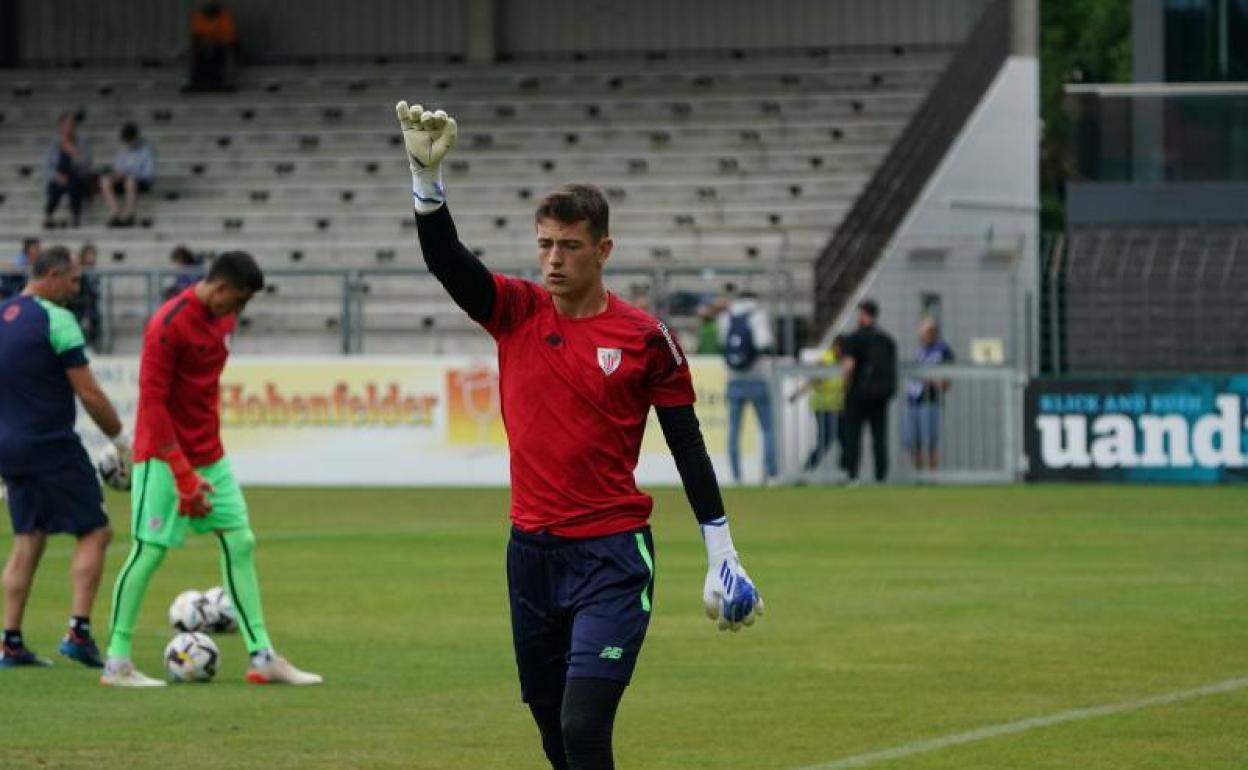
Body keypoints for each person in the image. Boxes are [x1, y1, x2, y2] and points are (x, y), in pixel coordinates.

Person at [398, 101, 763, 770]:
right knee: (552, 729)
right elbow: (448, 260)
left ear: (603, 250)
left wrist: (723, 550)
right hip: (530, 556)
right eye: (544, 243)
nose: (554, 260)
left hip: (611, 558)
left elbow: (687, 446)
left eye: (569, 245)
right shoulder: (514, 311)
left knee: (584, 723)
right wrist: (427, 180)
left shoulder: (646, 339)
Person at [101, 251, 321, 687]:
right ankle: (117, 661)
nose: (239, 312)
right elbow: (154, 404)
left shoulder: (223, 321)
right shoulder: (167, 325)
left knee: (241, 541)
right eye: (237, 301)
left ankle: (262, 656)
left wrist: (201, 463)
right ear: (219, 288)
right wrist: (182, 474)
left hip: (210, 455)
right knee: (149, 551)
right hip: (162, 458)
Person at [0, 245, 131, 669]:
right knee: (96, 532)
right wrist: (121, 438)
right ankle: (79, 632)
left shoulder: (2, 315)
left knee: (28, 541)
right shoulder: (57, 319)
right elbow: (89, 392)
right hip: (51, 443)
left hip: (9, 448)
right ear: (53, 274)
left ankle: (10, 642)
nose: (76, 289)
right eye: (73, 280)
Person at [718, 290, 778, 484]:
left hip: (734, 379)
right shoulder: (759, 316)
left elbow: (722, 344)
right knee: (768, 428)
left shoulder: (726, 317)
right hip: (757, 377)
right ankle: (771, 474)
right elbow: (764, 343)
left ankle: (736, 475)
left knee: (734, 429)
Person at [839, 299, 897, 483]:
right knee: (879, 437)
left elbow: (848, 366)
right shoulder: (887, 340)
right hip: (880, 395)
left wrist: (843, 389)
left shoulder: (853, 338)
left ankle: (852, 475)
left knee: (853, 435)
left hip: (857, 394)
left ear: (863, 314)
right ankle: (880, 475)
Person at [788, 335, 846, 473]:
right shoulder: (826, 360)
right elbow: (813, 380)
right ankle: (809, 467)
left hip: (836, 407)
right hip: (823, 406)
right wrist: (797, 394)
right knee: (828, 439)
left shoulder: (843, 361)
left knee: (840, 439)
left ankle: (844, 470)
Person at [904, 318, 955, 471]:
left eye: (925, 332)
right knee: (912, 442)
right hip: (913, 401)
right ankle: (919, 476)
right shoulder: (920, 350)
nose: (922, 336)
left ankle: (932, 476)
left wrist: (928, 378)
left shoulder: (943, 351)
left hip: (930, 401)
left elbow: (946, 382)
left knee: (930, 441)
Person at [98, 122, 156, 228]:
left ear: (135, 138)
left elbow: (148, 173)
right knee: (105, 180)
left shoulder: (146, 150)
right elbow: (118, 168)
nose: (128, 143)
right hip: (123, 180)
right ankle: (115, 214)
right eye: (126, 141)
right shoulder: (123, 150)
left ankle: (130, 216)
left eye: (130, 140)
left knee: (130, 181)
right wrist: (117, 175)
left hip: (140, 181)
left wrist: (132, 174)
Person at [43, 111, 92, 228]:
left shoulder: (82, 143)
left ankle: (76, 216)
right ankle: (48, 216)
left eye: (71, 125)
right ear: (60, 127)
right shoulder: (54, 144)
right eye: (65, 125)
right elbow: (47, 166)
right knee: (56, 185)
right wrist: (56, 175)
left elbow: (86, 166)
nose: (68, 128)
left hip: (77, 176)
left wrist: (73, 153)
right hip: (59, 176)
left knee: (73, 184)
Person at [186, 2, 238, 93]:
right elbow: (195, 35)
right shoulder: (198, 15)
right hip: (204, 47)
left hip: (221, 46)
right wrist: (205, 42)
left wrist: (213, 41)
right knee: (192, 51)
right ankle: (194, 81)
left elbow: (229, 37)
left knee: (230, 51)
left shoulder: (224, 15)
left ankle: (228, 83)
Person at [67, 243, 102, 350]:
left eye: (92, 255)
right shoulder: (79, 274)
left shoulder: (94, 272)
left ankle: (92, 345)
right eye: (88, 255)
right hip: (77, 306)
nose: (91, 258)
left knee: (95, 318)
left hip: (89, 305)